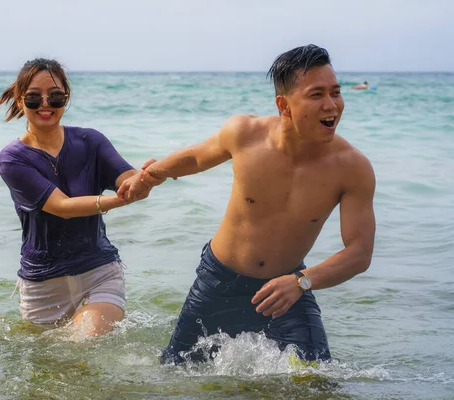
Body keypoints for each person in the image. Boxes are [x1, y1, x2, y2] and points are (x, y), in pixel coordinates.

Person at [118, 44, 376, 364]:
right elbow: (197, 157)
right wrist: (149, 176)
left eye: (335, 93)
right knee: (174, 372)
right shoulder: (245, 134)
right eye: (317, 94)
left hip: (285, 289)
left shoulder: (352, 168)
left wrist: (302, 282)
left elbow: (359, 253)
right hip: (218, 282)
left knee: (317, 380)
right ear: (284, 105)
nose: (332, 105)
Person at [0, 58, 158, 338]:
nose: (45, 104)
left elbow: (126, 177)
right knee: (53, 371)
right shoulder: (12, 159)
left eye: (55, 96)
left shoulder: (90, 141)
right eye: (34, 97)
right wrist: (120, 200)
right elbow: (62, 208)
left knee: (82, 346)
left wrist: (146, 178)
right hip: (42, 285)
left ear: (66, 97)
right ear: (21, 101)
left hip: (99, 271)